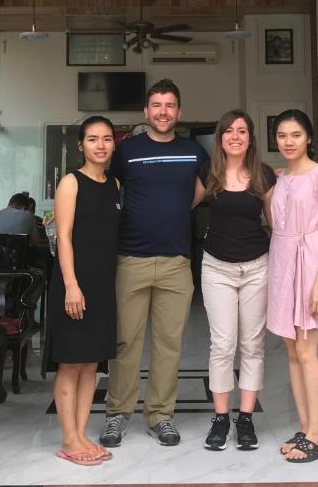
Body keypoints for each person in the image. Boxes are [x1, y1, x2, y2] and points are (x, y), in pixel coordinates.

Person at [100, 79, 208, 448]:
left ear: (179, 111)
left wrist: (174, 209)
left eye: (170, 105)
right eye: (157, 105)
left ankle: (161, 415)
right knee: (125, 342)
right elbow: (108, 190)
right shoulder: (126, 151)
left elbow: (202, 189)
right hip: (131, 260)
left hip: (177, 262)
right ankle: (117, 414)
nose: (163, 112)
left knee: (168, 344)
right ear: (146, 111)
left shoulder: (193, 152)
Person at [45, 116, 121, 465]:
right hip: (74, 284)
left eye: (106, 139)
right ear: (81, 145)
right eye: (92, 139)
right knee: (71, 362)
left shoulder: (115, 185)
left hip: (103, 285)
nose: (100, 145)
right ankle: (68, 439)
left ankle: (80, 434)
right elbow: (64, 237)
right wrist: (71, 286)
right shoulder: (71, 183)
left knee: (91, 363)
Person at [200, 110, 275, 451]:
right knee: (222, 344)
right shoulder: (209, 172)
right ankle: (220, 419)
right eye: (228, 131)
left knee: (252, 344)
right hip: (217, 267)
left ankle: (245, 419)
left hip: (257, 266)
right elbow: (180, 204)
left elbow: (276, 223)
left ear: (250, 138)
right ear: (220, 137)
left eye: (241, 131)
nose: (235, 136)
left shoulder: (263, 174)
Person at [267, 109, 318, 463]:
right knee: (293, 351)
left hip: (310, 266)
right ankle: (305, 427)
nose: (288, 142)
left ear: (309, 137)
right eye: (282, 135)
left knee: (308, 351)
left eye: (295, 135)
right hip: (282, 265)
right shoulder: (279, 178)